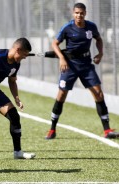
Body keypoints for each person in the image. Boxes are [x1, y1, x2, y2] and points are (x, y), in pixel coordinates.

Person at [45, 2, 119, 140]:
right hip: (70, 65)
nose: (79, 15)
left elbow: (99, 39)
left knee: (99, 94)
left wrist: (100, 53)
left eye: (81, 13)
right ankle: (52, 129)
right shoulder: (67, 27)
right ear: (73, 13)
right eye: (77, 13)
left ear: (85, 13)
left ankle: (107, 130)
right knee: (61, 96)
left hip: (86, 65)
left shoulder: (91, 26)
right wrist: (61, 58)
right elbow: (54, 43)